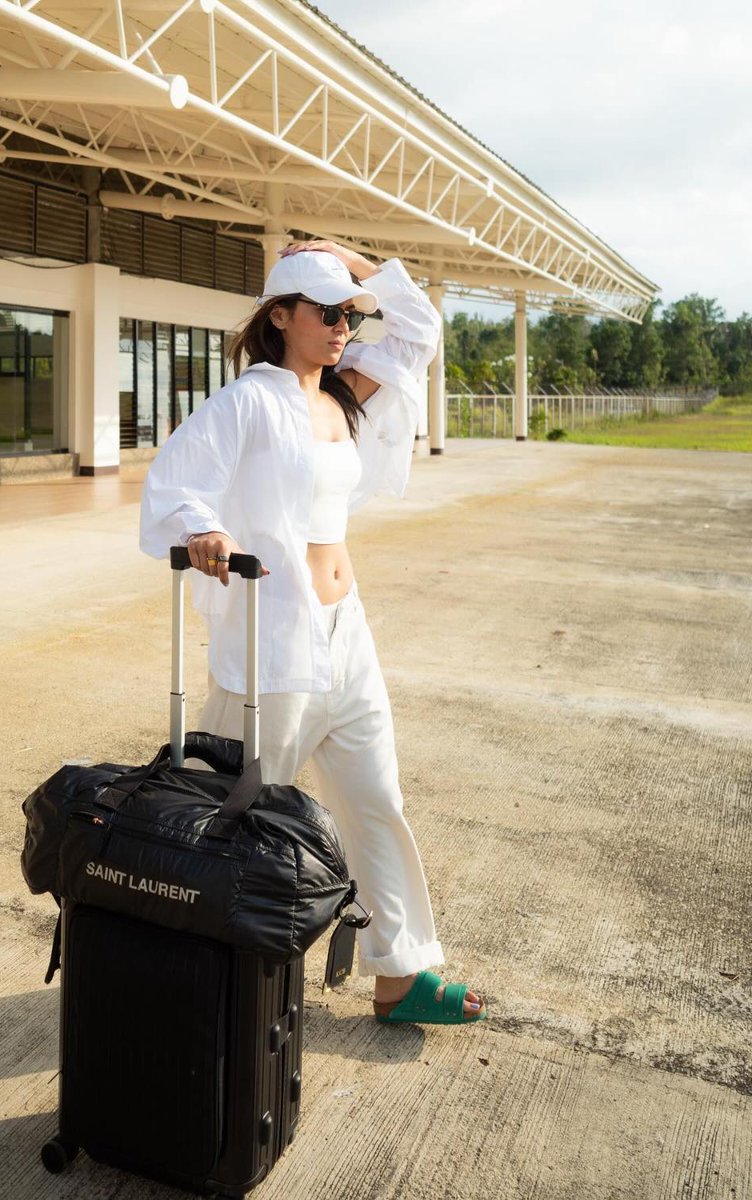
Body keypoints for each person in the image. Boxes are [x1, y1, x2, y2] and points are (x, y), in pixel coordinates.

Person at [140, 239, 486, 1025]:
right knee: (229, 813)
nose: (340, 326)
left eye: (346, 314)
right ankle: (188, 960)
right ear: (281, 317)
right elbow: (177, 480)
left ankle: (400, 974)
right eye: (324, 312)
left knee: (376, 800)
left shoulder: (342, 396)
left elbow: (418, 332)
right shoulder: (249, 400)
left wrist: (356, 264)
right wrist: (203, 530)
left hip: (345, 634)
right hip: (273, 639)